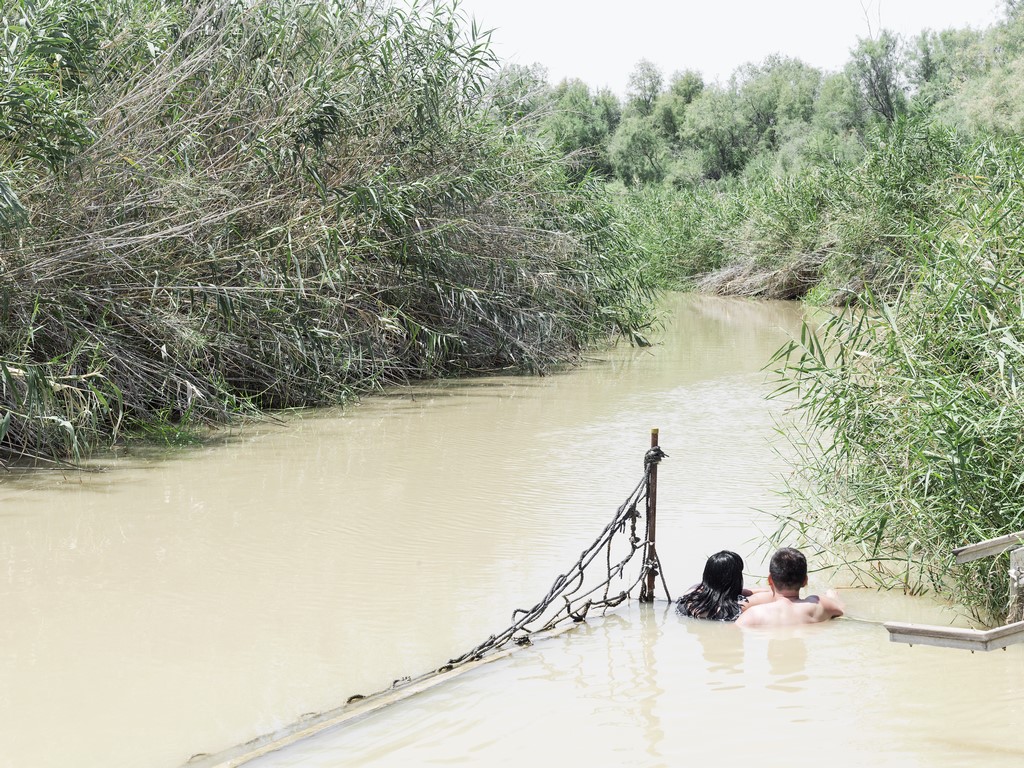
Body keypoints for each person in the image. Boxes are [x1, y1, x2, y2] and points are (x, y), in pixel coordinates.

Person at [736, 547, 844, 628]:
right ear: (805, 581)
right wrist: (831, 595)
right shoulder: (818, 605)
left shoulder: (753, 615)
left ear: (770, 580)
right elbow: (841, 608)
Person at [676, 550, 767, 622]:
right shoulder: (737, 608)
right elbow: (772, 594)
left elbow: (713, 589)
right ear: (735, 579)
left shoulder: (688, 598)